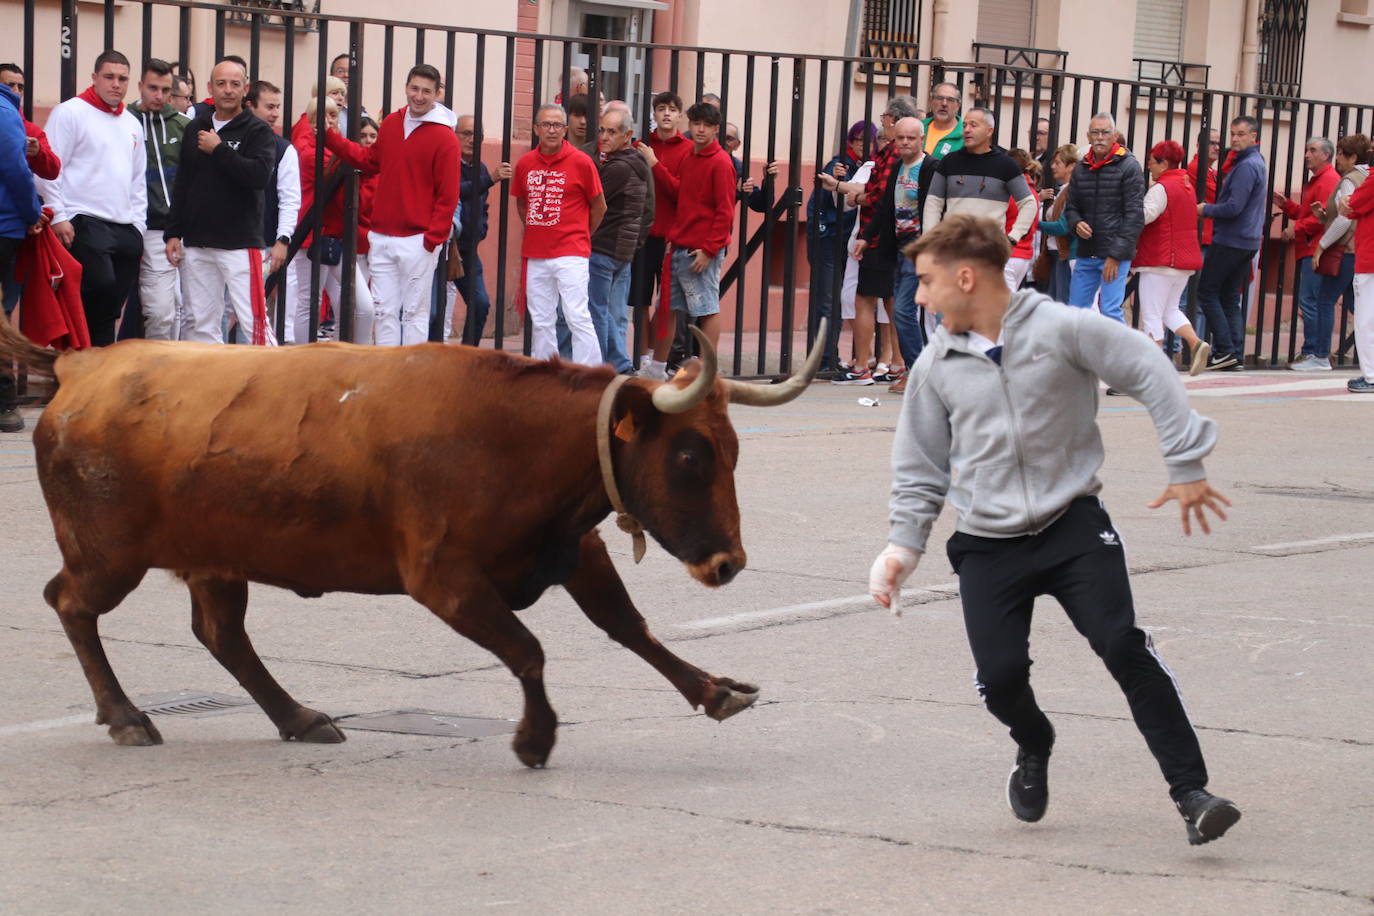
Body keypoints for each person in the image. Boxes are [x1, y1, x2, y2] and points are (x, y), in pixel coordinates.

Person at [870, 213, 1243, 847]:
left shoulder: (1063, 329)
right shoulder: (935, 366)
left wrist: (1184, 462)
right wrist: (903, 546)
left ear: (967, 277)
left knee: (1122, 644)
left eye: (928, 281)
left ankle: (1192, 793)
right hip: (987, 544)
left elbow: (1150, 370)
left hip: (1072, 526)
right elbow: (920, 466)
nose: (921, 296)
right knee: (1001, 677)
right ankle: (1034, 743)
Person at [324, 64, 459, 346]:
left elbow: (448, 194)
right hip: (382, 235)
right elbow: (370, 160)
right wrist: (332, 139)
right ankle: (388, 373)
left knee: (413, 313)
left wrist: (432, 239)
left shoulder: (445, 137)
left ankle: (410, 378)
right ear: (406, 87)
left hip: (418, 239)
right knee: (384, 310)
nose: (419, 96)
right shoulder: (392, 123)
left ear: (437, 94)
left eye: (426, 91)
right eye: (414, 88)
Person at [164, 56, 278, 345]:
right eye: (221, 83)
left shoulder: (257, 130)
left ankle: (274, 386)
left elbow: (259, 177)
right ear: (209, 88)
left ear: (245, 88)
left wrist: (220, 150)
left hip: (240, 243)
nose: (227, 90)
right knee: (200, 323)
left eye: (234, 84)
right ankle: (209, 387)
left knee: (254, 322)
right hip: (199, 240)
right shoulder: (195, 128)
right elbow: (183, 183)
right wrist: (174, 232)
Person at [35, 50, 146, 347]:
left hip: (125, 226)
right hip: (84, 219)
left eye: (122, 78)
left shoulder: (132, 123)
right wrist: (58, 215)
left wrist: (139, 227)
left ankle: (99, 368)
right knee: (97, 289)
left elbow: (138, 180)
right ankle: (77, 363)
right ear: (95, 78)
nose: (115, 84)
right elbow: (49, 167)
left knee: (112, 306)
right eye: (109, 77)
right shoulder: (70, 112)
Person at [637, 100, 736, 366]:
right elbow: (682, 196)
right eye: (696, 124)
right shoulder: (691, 157)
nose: (701, 129)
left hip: (700, 250)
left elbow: (725, 211)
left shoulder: (721, 162)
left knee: (707, 309)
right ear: (689, 125)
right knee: (667, 309)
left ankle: (706, 370)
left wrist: (709, 249)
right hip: (680, 245)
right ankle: (657, 369)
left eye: (707, 125)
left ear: (716, 129)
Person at [512, 103, 606, 365]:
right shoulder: (526, 163)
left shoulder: (581, 162)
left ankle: (590, 372)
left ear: (565, 129)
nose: (551, 130)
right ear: (536, 129)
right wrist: (538, 227)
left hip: (571, 252)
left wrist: (581, 234)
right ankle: (546, 372)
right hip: (536, 252)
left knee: (577, 315)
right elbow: (522, 202)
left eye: (556, 125)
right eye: (545, 125)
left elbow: (599, 205)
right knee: (541, 319)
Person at [851, 116, 927, 390]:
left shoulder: (929, 168)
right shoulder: (896, 167)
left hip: (919, 247)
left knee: (909, 310)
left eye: (911, 138)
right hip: (895, 245)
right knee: (904, 311)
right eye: (900, 138)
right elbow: (885, 208)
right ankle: (912, 369)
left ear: (921, 139)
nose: (905, 143)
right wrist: (865, 237)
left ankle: (914, 369)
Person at [1132, 140, 1211, 374]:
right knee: (1171, 310)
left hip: (1159, 260)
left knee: (1152, 314)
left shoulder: (1161, 188)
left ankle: (1152, 367)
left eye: (1152, 161)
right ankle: (1196, 343)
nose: (1149, 165)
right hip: (1183, 262)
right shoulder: (1186, 186)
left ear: (1164, 163)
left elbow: (1145, 216)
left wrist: (1128, 209)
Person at [1196, 116, 1267, 371]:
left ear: (1253, 137)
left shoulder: (1247, 165)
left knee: (1207, 291)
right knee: (1228, 297)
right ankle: (1234, 352)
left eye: (1241, 134)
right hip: (1246, 239)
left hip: (1232, 239)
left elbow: (1234, 207)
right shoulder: (1255, 162)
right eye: (1233, 133)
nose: (1235, 139)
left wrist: (1206, 209)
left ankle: (1225, 350)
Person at [126, 58, 189, 342]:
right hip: (139, 225)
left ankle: (173, 369)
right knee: (160, 310)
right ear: (140, 85)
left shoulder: (184, 126)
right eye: (152, 88)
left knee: (180, 308)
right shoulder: (123, 121)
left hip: (179, 228)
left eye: (165, 90)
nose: (159, 96)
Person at [1061, 113, 1145, 323]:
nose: (1099, 137)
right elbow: (1071, 208)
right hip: (1086, 253)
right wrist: (1076, 223)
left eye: (1105, 132)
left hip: (1114, 255)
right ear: (1088, 136)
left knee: (1109, 310)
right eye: (1095, 132)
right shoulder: (1081, 168)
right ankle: (1078, 355)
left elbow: (1135, 215)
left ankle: (1119, 356)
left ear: (1114, 136)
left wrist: (1116, 255)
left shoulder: (1129, 166)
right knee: (1075, 311)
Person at [631, 91, 692, 375]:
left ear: (680, 116)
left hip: (672, 237)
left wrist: (656, 164)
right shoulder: (639, 146)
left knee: (668, 304)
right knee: (640, 301)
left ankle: (658, 363)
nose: (666, 114)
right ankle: (641, 359)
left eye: (672, 109)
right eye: (661, 109)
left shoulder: (689, 150)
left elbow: (683, 194)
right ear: (653, 115)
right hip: (642, 235)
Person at [589, 106, 651, 372]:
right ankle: (621, 365)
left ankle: (610, 366)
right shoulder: (637, 164)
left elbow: (592, 202)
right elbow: (646, 210)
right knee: (614, 315)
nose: (604, 136)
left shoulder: (618, 168)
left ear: (627, 135)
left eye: (612, 132)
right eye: (602, 130)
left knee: (598, 312)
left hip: (604, 248)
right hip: (623, 251)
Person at [807, 121, 872, 376]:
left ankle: (834, 357)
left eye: (869, 140)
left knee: (842, 299)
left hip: (849, 241)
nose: (863, 145)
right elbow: (822, 200)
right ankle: (823, 359)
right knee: (827, 300)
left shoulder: (867, 167)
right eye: (858, 140)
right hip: (829, 239)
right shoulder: (839, 164)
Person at [1273, 138, 1341, 369]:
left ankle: (1314, 352)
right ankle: (1315, 352)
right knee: (1312, 301)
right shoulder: (1317, 181)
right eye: (1306, 150)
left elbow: (1323, 218)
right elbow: (1307, 213)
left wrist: (1295, 229)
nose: (1307, 155)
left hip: (1317, 249)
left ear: (1326, 155)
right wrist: (1287, 206)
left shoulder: (1328, 180)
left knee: (1311, 301)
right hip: (1309, 247)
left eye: (1312, 150)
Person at [0, 72, 42, 432]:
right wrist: (32, 214)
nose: (16, 91)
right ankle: (3, 403)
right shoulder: (4, 110)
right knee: (1, 319)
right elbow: (15, 168)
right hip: (4, 227)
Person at [244, 78, 301, 343]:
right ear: (250, 106)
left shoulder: (284, 149)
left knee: (258, 314)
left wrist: (282, 240)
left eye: (277, 107)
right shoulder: (231, 140)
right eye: (269, 106)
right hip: (230, 241)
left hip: (267, 243)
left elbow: (290, 199)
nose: (275, 113)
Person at [1311, 134, 1371, 372]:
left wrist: (1321, 246)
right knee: (1359, 305)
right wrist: (1324, 216)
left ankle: (1320, 355)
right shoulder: (1366, 177)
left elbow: (1345, 219)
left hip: (1346, 249)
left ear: (1353, 157)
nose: (1338, 160)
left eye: (1341, 155)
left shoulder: (1350, 180)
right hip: (1358, 249)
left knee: (1325, 300)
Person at [453, 114, 511, 346]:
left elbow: (481, 205)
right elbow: (456, 191)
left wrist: (481, 228)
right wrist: (491, 179)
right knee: (432, 313)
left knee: (480, 303)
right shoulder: (448, 162)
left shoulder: (480, 168)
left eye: (477, 135)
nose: (471, 139)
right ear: (455, 135)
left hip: (467, 251)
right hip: (441, 246)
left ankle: (466, 356)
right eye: (466, 133)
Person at [1338, 150, 1374, 393]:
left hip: (1370, 257)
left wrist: (1344, 202)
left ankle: (1371, 375)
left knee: (1365, 320)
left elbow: (1350, 206)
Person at [1036, 144, 1080, 303]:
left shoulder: (1071, 191)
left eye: (1058, 163)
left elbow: (1063, 227)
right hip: (1056, 253)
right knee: (1054, 301)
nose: (1053, 166)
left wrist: (1035, 224)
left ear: (1071, 166)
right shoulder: (1062, 190)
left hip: (1064, 254)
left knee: (1062, 302)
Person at [922, 82, 964, 159]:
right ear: (931, 101)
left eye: (950, 100)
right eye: (939, 98)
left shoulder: (965, 135)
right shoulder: (919, 127)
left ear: (958, 105)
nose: (944, 103)